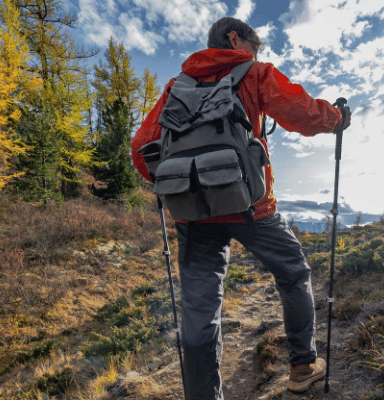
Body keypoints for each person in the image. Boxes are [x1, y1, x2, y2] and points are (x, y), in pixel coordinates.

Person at [131, 16, 351, 400]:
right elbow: (300, 112)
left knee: (200, 311)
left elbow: (141, 149)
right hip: (251, 207)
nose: (257, 54)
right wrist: (337, 118)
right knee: (294, 273)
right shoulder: (254, 73)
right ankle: (302, 367)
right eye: (254, 46)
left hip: (193, 214)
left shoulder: (176, 87)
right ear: (235, 39)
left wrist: (183, 186)